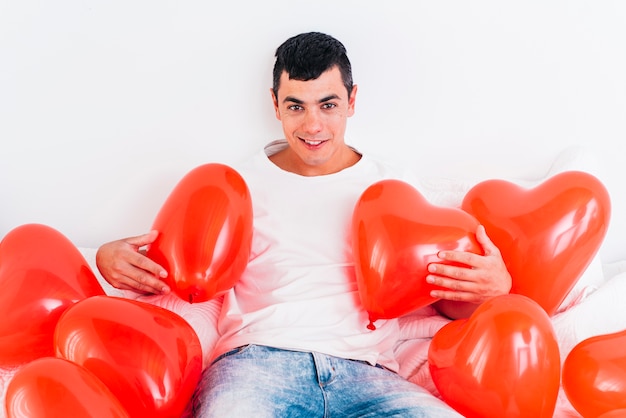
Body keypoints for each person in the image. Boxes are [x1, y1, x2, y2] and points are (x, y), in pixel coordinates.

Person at [96, 31, 512, 417]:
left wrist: (494, 289)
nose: (312, 126)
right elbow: (179, 266)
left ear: (351, 101)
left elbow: (437, 292)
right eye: (296, 106)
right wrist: (107, 256)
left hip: (369, 373)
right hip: (258, 365)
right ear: (275, 105)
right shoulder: (235, 185)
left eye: (327, 105)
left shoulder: (394, 185)